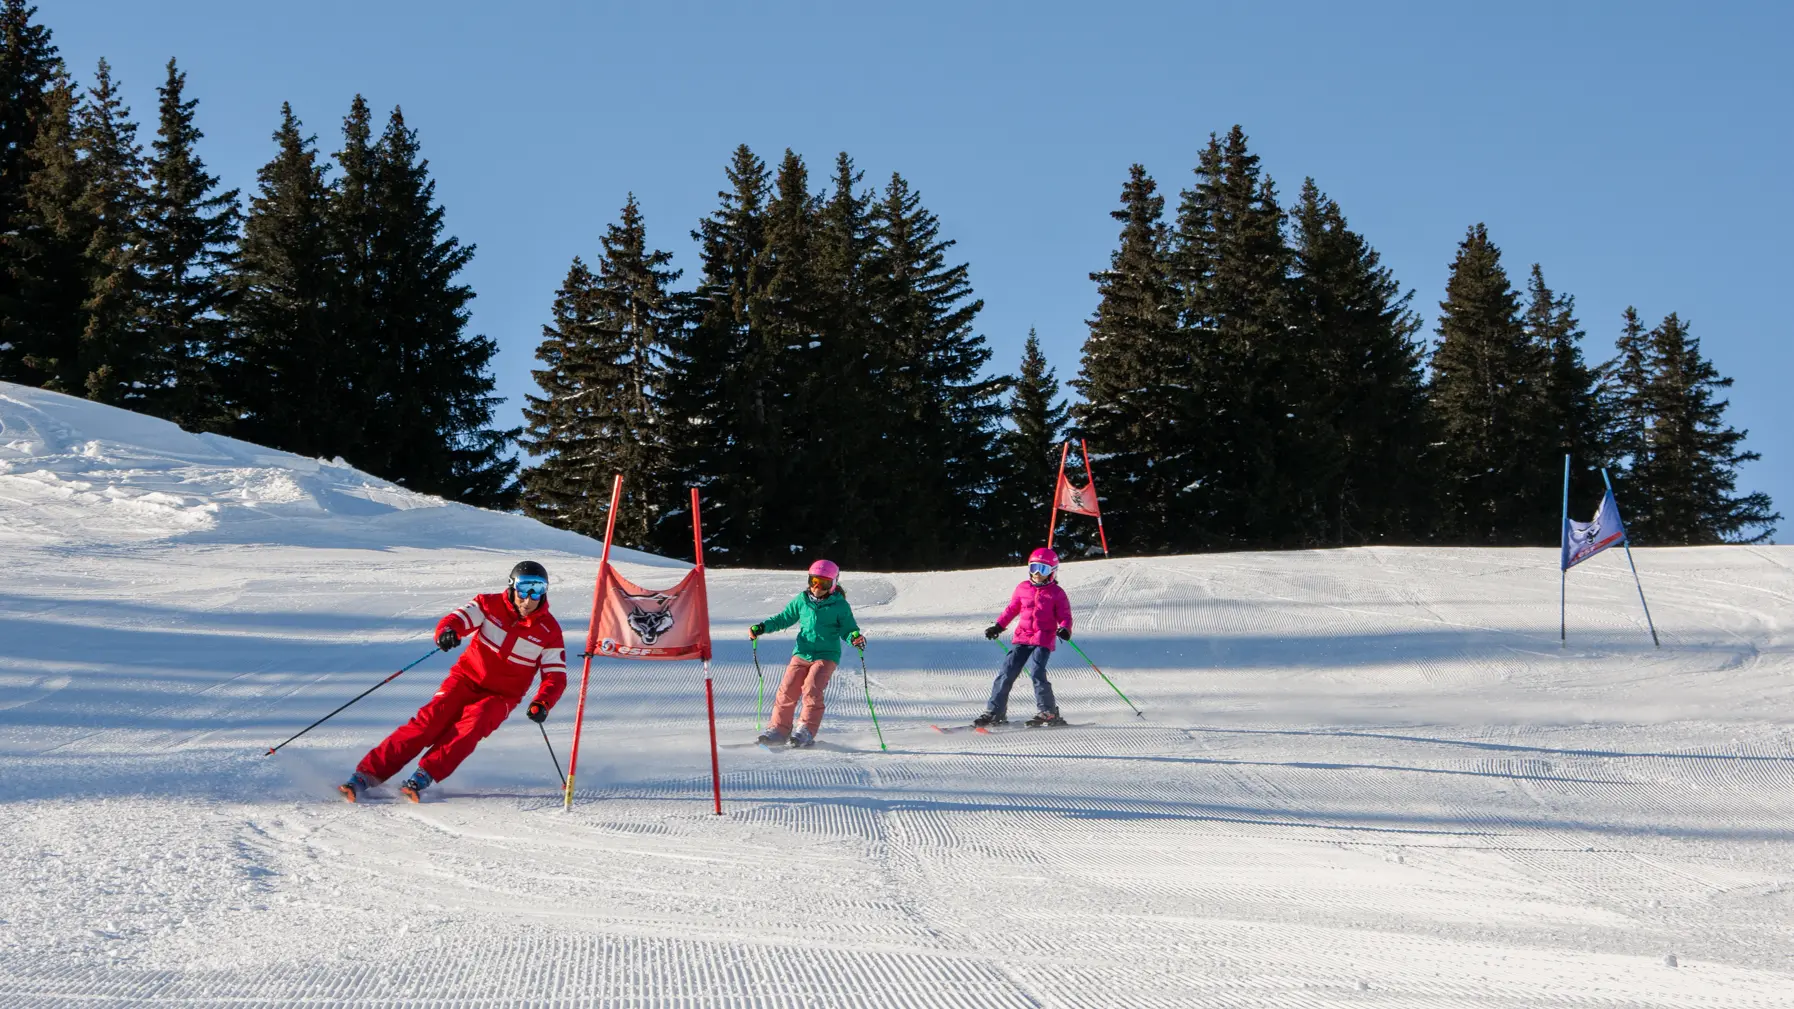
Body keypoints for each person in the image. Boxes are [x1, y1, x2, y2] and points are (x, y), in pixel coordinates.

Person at [339, 561, 567, 802]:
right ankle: (365, 776)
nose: (528, 599)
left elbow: (555, 676)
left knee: (474, 723)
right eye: (523, 590)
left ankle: (422, 777)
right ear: (512, 587)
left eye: (537, 591)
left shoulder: (549, 631)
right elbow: (457, 619)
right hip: (465, 679)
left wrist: (542, 702)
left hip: (502, 696)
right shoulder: (488, 604)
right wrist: (448, 632)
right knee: (430, 721)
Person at [749, 559, 866, 748]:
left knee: (812, 688)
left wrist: (854, 637)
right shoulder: (802, 600)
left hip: (826, 655)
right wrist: (763, 627)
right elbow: (784, 618)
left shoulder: (840, 606)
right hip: (802, 653)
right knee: (787, 689)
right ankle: (778, 730)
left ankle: (805, 730)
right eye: (814, 581)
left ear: (833, 584)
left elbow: (848, 629)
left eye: (823, 583)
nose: (817, 588)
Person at [977, 547, 1072, 728]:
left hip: (1043, 638)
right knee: (1007, 672)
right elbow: (1011, 609)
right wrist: (998, 626)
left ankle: (1048, 711)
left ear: (1052, 571)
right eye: (1034, 567)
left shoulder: (1056, 593)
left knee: (1037, 671)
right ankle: (995, 712)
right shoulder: (1023, 588)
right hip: (1023, 637)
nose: (1037, 573)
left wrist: (1065, 629)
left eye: (1042, 569)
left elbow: (1065, 615)